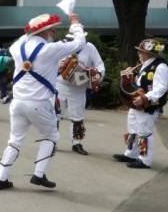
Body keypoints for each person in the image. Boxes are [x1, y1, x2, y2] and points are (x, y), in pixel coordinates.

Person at [0, 13, 86, 190]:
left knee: (15, 140)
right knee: (51, 136)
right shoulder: (49, 49)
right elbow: (80, 43)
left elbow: (25, 38)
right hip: (39, 103)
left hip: (17, 102)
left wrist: (32, 27)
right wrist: (75, 23)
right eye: (52, 30)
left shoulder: (17, 47)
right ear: (44, 33)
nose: (55, 33)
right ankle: (39, 174)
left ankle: (1, 177)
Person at [113, 39, 167, 169]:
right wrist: (129, 75)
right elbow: (141, 81)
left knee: (144, 131)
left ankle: (145, 160)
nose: (138, 53)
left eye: (141, 51)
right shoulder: (145, 64)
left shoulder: (160, 67)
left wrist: (145, 98)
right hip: (136, 104)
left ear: (149, 54)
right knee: (133, 128)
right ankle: (131, 153)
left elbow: (161, 88)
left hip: (148, 105)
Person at [56, 33, 105, 155]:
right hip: (60, 85)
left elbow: (99, 64)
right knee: (55, 115)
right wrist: (57, 66)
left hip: (79, 86)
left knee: (77, 116)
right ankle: (51, 141)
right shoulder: (61, 45)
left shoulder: (89, 47)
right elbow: (47, 63)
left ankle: (77, 143)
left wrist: (98, 75)